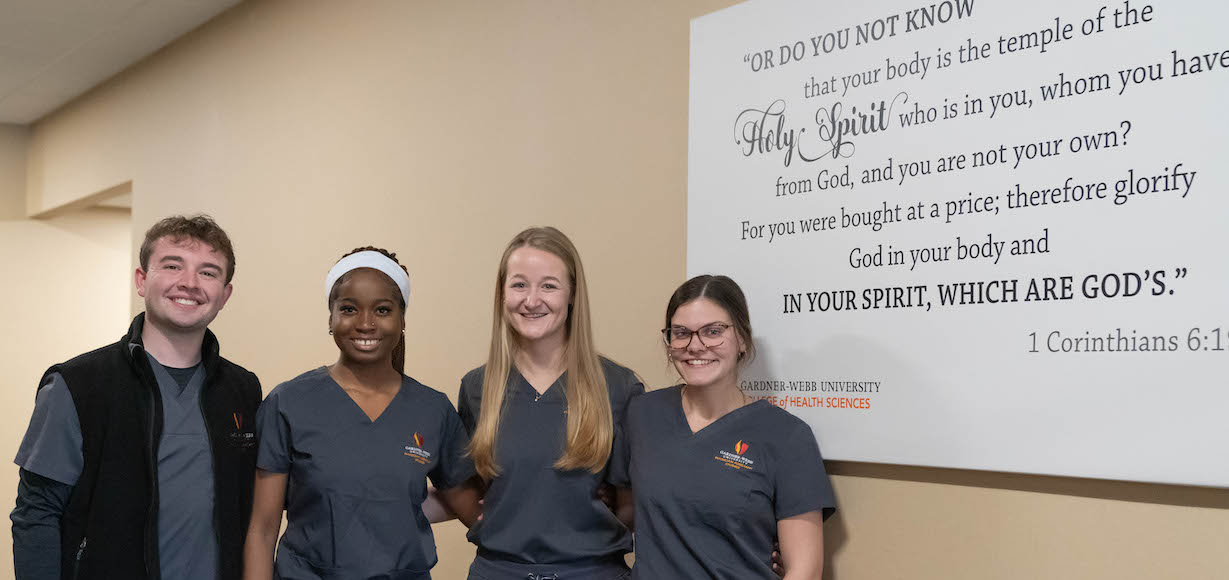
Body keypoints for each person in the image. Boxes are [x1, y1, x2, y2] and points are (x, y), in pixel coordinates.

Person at [10, 214, 262, 580]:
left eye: (208, 272)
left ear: (225, 294)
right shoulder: (78, 385)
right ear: (142, 280)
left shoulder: (242, 390)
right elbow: (36, 512)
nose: (189, 283)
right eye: (172, 266)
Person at [243, 247, 480, 580]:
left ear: (402, 320)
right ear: (330, 318)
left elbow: (475, 511)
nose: (366, 324)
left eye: (382, 310)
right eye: (349, 309)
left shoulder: (432, 410)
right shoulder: (287, 403)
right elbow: (262, 529)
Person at [613, 275, 836, 580]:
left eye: (713, 331)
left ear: (742, 338)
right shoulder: (642, 414)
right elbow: (621, 511)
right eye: (681, 333)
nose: (695, 345)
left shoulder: (787, 436)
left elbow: (805, 570)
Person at [458, 227, 643, 580]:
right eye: (519, 284)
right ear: (502, 293)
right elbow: (470, 491)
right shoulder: (477, 388)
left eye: (548, 286)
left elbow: (632, 506)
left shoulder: (619, 388)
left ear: (572, 294)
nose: (532, 300)